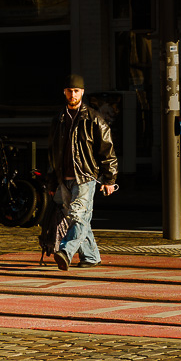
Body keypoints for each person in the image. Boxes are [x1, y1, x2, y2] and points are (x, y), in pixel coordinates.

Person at [47, 73, 118, 270]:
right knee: (80, 218)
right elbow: (52, 153)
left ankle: (65, 251)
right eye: (69, 91)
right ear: (64, 92)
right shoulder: (58, 120)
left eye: (76, 91)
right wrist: (52, 182)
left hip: (85, 177)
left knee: (77, 216)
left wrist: (109, 179)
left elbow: (107, 150)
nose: (72, 94)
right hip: (64, 178)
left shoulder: (94, 119)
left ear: (82, 92)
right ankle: (91, 256)